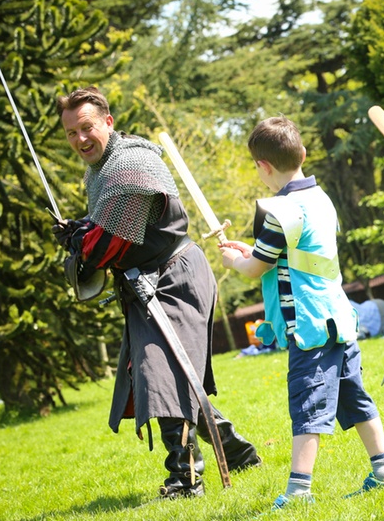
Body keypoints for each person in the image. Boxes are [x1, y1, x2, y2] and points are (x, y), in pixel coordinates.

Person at [53, 87, 260, 499]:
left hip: (174, 277)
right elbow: (110, 229)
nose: (80, 139)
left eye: (87, 128)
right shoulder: (101, 169)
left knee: (158, 374)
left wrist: (81, 242)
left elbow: (107, 243)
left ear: (107, 122)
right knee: (169, 375)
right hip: (145, 282)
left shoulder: (129, 166)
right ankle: (235, 451)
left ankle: (186, 479)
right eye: (72, 133)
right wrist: (82, 229)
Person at [219, 116, 384, 509]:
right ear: (302, 154)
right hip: (338, 318)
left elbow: (256, 268)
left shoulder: (279, 211)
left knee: (307, 405)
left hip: (308, 327)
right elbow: (293, 256)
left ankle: (299, 490)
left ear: (263, 167)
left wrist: (234, 261)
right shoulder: (320, 199)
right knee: (354, 397)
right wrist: (250, 251)